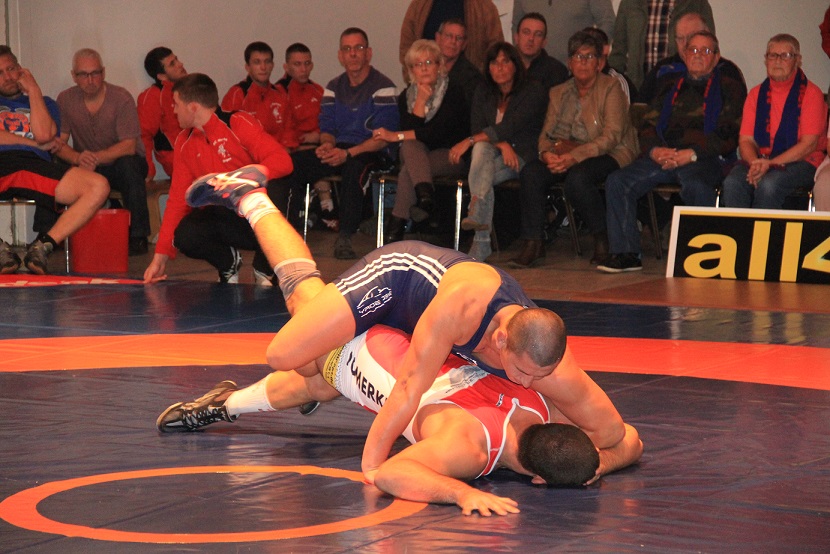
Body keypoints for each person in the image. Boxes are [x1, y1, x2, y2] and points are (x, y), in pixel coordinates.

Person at [181, 163, 628, 486]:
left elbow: (618, 436)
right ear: (500, 339)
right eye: (522, 371)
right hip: (396, 281)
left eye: (537, 376)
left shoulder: (549, 363)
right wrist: (373, 467)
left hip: (425, 327)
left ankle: (286, 386)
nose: (528, 383)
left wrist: (593, 466)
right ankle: (252, 197)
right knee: (289, 354)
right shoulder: (462, 309)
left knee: (319, 375)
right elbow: (408, 390)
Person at [157, 324, 644, 515]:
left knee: (315, 387)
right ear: (537, 479)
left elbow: (631, 440)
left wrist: (597, 460)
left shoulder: (539, 403)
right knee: (302, 304)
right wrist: (461, 493)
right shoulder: (469, 447)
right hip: (367, 354)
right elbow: (389, 473)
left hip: (417, 344)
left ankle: (225, 404)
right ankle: (253, 199)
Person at [598, 31, 745, 273]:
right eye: (693, 50)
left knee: (696, 185)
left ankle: (704, 256)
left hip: (704, 158)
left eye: (705, 51)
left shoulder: (729, 87)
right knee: (618, 181)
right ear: (684, 54)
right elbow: (647, 124)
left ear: (717, 57)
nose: (698, 55)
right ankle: (626, 254)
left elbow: (729, 133)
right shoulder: (669, 84)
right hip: (664, 155)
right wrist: (655, 150)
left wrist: (692, 154)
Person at [142, 74, 293, 285]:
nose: (173, 110)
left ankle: (264, 266)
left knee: (278, 187)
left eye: (176, 104)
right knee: (185, 234)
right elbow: (177, 201)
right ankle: (227, 262)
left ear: (193, 107)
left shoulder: (237, 123)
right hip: (226, 217)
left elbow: (283, 161)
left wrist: (240, 180)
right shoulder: (184, 142)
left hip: (256, 216)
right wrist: (159, 258)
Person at [511, 32, 639, 269]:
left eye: (589, 57)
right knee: (531, 172)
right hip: (565, 153)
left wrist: (574, 157)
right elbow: (546, 134)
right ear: (569, 62)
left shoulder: (611, 88)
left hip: (610, 152)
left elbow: (612, 136)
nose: (583, 62)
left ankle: (602, 237)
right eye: (577, 57)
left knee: (578, 179)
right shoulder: (558, 92)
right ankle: (534, 242)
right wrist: (546, 154)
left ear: (599, 62)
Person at [276, 28, 399, 260]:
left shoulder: (384, 86)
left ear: (369, 53)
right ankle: (285, 231)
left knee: (354, 168)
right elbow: (328, 128)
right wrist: (326, 145)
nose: (353, 54)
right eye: (347, 49)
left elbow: (383, 138)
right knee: (290, 165)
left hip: (373, 151)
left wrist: (348, 153)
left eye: (358, 48)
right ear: (340, 55)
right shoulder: (333, 87)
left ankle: (345, 236)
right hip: (340, 149)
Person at [0, 46, 109, 275]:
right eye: (0, 73)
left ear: (21, 69)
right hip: (3, 162)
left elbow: (44, 136)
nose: (7, 77)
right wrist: (32, 143)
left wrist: (34, 90)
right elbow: (36, 142)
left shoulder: (46, 103)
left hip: (33, 166)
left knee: (98, 186)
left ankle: (43, 246)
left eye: (11, 69)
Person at [448, 42, 548, 262]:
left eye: (505, 62)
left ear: (516, 65)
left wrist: (469, 141)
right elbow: (479, 128)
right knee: (481, 148)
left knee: (480, 168)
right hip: (493, 154)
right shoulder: (483, 91)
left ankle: (479, 228)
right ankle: (480, 224)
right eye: (494, 63)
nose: (499, 68)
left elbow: (511, 126)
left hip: (522, 154)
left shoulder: (532, 90)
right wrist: (501, 145)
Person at [372, 39, 470, 243]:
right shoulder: (406, 97)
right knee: (410, 146)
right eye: (418, 64)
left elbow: (438, 134)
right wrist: (420, 101)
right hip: (417, 155)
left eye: (429, 62)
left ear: (439, 66)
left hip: (451, 154)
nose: (424, 68)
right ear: (411, 70)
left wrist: (395, 136)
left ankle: (396, 227)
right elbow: (411, 131)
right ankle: (425, 199)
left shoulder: (454, 91)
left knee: (408, 169)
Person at [55, 48, 151, 256]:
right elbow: (60, 141)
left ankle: (138, 236)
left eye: (95, 73)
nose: (90, 80)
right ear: (74, 76)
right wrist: (77, 158)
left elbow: (129, 145)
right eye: (83, 74)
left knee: (129, 165)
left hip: (120, 163)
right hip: (86, 164)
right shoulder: (65, 99)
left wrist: (94, 158)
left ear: (103, 72)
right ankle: (50, 234)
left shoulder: (121, 98)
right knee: (53, 164)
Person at [721, 34, 827, 210]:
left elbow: (809, 145)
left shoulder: (812, 94)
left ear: (797, 61)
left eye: (785, 56)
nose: (778, 61)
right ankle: (740, 229)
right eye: (773, 55)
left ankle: (760, 229)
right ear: (766, 60)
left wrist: (770, 164)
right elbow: (746, 140)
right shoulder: (755, 94)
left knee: (769, 185)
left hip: (803, 162)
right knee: (733, 182)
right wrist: (755, 163)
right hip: (762, 160)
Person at [637, 12, 746, 105]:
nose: (685, 44)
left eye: (691, 37)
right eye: (681, 38)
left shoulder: (726, 71)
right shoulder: (662, 69)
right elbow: (641, 107)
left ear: (706, 34)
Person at [609, 0, 715, 89]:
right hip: (637, 89)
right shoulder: (630, 3)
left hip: (679, 90)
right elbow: (618, 51)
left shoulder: (695, 3)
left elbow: (709, 47)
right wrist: (613, 86)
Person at [399, 0, 503, 81]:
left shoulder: (484, 7)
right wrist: (412, 76)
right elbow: (406, 46)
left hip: (469, 88)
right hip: (423, 84)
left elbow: (497, 49)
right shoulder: (419, 5)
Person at [221, 41, 295, 149]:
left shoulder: (280, 94)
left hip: (280, 153)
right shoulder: (237, 94)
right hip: (250, 156)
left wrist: (284, 151)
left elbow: (289, 134)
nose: (263, 67)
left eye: (267, 62)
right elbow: (227, 136)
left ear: (272, 65)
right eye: (257, 62)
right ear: (247, 67)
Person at [511, 0, 615, 65]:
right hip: (532, 75)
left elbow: (607, 22)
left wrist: (593, 59)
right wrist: (521, 62)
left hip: (577, 76)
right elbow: (516, 26)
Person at [137, 47, 187, 181]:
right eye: (172, 64)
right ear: (161, 76)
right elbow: (144, 135)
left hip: (202, 151)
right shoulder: (153, 96)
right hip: (177, 159)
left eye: (176, 59)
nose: (180, 64)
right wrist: (148, 170)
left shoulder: (191, 86)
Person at [277, 43, 324, 150]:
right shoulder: (279, 93)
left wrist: (319, 134)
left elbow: (329, 120)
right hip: (295, 149)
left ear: (312, 66)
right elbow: (283, 134)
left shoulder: (318, 90)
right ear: (286, 67)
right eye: (297, 64)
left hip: (321, 145)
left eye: (307, 63)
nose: (303, 69)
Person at [434, 18, 485, 107]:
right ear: (438, 38)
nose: (453, 42)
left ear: (464, 45)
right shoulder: (426, 67)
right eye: (448, 36)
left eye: (459, 38)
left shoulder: (472, 78)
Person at [513, 12, 569, 91]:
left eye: (538, 34)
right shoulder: (503, 67)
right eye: (526, 32)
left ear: (544, 42)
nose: (531, 38)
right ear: (516, 38)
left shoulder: (557, 71)